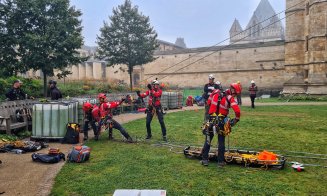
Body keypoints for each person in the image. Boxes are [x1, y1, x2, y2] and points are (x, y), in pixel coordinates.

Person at [201, 83, 241, 167]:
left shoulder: (215, 92)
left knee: (208, 140)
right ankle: (220, 162)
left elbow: (208, 102)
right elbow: (237, 111)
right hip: (222, 122)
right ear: (233, 90)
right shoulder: (229, 98)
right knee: (221, 142)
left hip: (211, 120)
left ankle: (204, 160)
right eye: (235, 94)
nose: (235, 96)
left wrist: (209, 114)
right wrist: (237, 119)